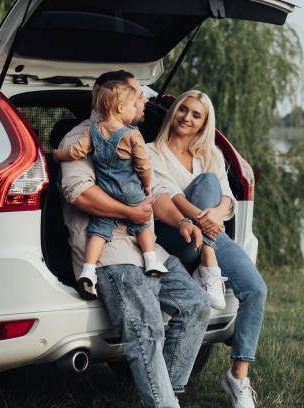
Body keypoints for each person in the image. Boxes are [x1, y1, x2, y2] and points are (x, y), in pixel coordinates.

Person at [59, 71, 210, 408]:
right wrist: (130, 213)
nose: (146, 101)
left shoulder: (133, 136)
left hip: (148, 250)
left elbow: (152, 191)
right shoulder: (84, 137)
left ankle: (164, 397)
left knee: (196, 304)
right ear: (120, 99)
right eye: (140, 95)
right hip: (110, 253)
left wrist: (182, 220)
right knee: (147, 329)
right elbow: (78, 192)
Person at [147, 90, 268, 408]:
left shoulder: (209, 154)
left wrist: (215, 214)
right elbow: (169, 197)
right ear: (172, 112)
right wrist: (204, 218)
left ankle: (238, 377)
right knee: (205, 186)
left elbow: (228, 201)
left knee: (256, 289)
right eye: (182, 110)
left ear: (204, 123)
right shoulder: (150, 152)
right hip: (175, 234)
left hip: (208, 232)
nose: (186, 117)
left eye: (196, 114)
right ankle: (208, 263)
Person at [53, 80, 167, 299]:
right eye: (134, 104)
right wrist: (145, 183)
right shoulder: (133, 134)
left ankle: (88, 272)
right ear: (121, 109)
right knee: (143, 223)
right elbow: (143, 165)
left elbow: (76, 152)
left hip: (106, 190)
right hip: (130, 191)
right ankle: (151, 259)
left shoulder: (93, 131)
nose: (138, 107)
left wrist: (58, 155)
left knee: (98, 231)